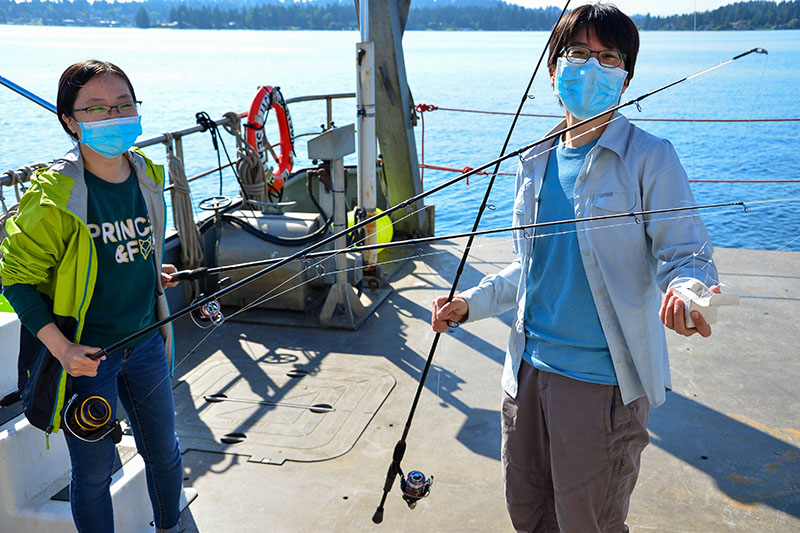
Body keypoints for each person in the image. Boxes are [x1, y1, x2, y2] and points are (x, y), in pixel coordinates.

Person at [432, 4, 720, 532]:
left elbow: (688, 255)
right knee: (527, 514)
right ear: (553, 69)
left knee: (590, 524)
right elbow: (531, 268)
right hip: (525, 374)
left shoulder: (652, 157)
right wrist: (470, 303)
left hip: (600, 387)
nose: (592, 66)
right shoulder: (534, 161)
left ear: (626, 77)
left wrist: (687, 292)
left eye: (608, 57)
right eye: (579, 54)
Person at [0, 60, 182, 533]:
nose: (114, 117)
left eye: (124, 105)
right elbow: (14, 278)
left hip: (145, 342)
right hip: (88, 358)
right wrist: (63, 351)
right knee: (94, 474)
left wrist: (149, 271)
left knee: (165, 451)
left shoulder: (146, 173)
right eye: (96, 109)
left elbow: (124, 246)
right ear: (69, 120)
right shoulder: (54, 196)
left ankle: (171, 526)